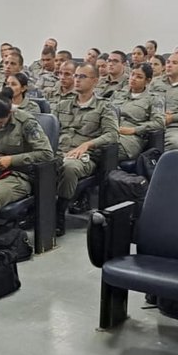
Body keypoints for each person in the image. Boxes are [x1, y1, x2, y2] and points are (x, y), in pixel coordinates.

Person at [53, 64, 118, 235]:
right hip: (60, 151)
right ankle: (37, 209)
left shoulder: (104, 106)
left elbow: (112, 135)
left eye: (82, 77)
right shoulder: (62, 105)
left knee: (69, 168)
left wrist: (87, 144)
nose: (77, 80)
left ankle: (59, 212)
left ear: (95, 81)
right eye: (76, 76)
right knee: (39, 163)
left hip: (85, 156)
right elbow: (50, 132)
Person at [0, 94, 53, 227]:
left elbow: (46, 153)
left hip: (18, 175)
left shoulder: (26, 122)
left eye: (0, 123)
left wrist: (12, 159)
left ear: (10, 113)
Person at [112, 64, 165, 160]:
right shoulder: (118, 94)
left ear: (148, 80)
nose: (133, 79)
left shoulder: (154, 99)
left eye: (139, 77)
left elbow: (159, 123)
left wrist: (135, 129)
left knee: (106, 149)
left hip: (129, 138)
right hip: (109, 131)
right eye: (132, 75)